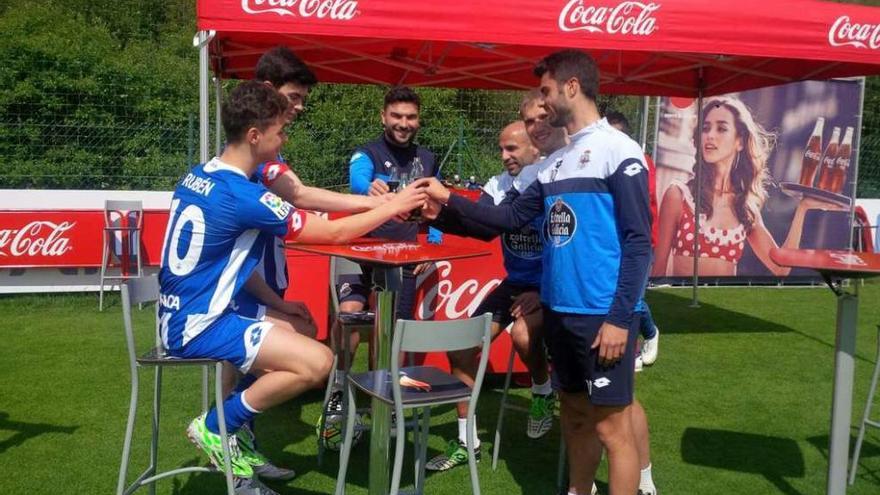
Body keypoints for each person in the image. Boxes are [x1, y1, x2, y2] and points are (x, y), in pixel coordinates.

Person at [158, 81, 428, 494]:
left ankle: (237, 433)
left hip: (185, 312)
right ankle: (217, 427)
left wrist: (275, 304)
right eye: (280, 132)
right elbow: (329, 234)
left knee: (300, 327)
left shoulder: (199, 175)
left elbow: (226, 265)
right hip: (198, 325)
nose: (284, 140)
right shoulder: (246, 194)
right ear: (254, 136)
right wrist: (392, 205)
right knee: (319, 362)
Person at [421, 49, 651, 495]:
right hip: (560, 312)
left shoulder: (619, 150)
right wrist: (443, 202)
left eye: (546, 92)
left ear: (571, 87)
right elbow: (504, 221)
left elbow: (640, 242)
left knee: (612, 431)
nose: (542, 104)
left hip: (601, 315)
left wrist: (620, 318)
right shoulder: (552, 164)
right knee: (575, 416)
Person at [424, 120, 551, 472]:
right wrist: (437, 218)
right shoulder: (498, 183)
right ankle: (467, 442)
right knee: (461, 348)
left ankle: (542, 390)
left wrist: (540, 292)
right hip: (514, 284)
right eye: (501, 148)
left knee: (525, 336)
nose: (503, 155)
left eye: (511, 148)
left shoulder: (548, 179)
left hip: (551, 286)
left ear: (534, 147)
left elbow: (508, 221)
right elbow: (483, 229)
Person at [323, 86, 440, 411]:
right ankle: (338, 390)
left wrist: (430, 246)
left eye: (411, 117)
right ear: (383, 117)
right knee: (349, 319)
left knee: (385, 330)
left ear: (418, 120)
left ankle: (379, 397)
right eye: (397, 116)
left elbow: (440, 207)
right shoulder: (366, 153)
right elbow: (358, 180)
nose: (404, 123)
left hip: (402, 258)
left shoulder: (428, 158)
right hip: (357, 253)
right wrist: (368, 188)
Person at [652, 95, 834, 278]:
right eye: (705, 128)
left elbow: (781, 268)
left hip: (723, 301)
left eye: (721, 128)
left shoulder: (745, 208)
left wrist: (802, 209)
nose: (710, 135)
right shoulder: (679, 195)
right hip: (686, 302)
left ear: (739, 141)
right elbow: (658, 270)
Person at [605, 111, 659, 371]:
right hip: (612, 242)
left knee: (633, 296)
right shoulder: (601, 160)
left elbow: (640, 203)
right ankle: (648, 333)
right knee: (617, 294)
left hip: (640, 241)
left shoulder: (639, 161)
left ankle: (639, 344)